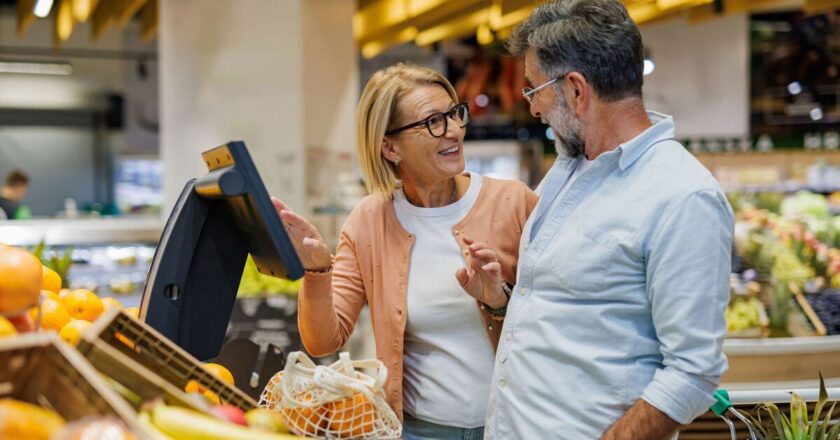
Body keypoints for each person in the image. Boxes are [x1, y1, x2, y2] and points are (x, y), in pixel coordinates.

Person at [484, 1, 734, 439]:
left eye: (534, 90)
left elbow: (693, 372)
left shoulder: (683, 196)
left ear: (576, 90)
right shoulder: (566, 170)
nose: (534, 109)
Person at [273, 63, 538, 439]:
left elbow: (560, 315)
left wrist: (499, 300)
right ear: (389, 146)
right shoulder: (369, 220)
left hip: (516, 426)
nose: (454, 130)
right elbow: (323, 341)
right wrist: (317, 271)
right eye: (433, 121)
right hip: (418, 431)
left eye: (453, 113)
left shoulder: (513, 203)